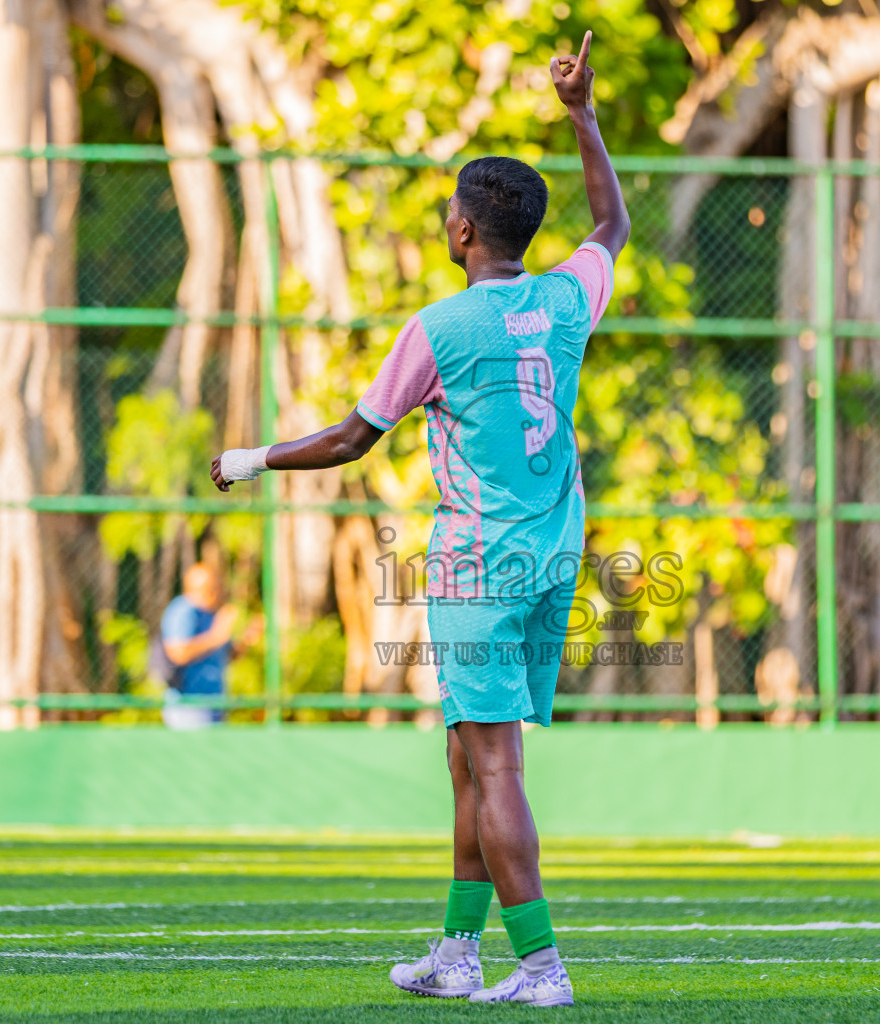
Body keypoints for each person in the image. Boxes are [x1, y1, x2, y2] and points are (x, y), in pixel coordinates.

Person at [210, 31, 627, 1007]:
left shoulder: (439, 327)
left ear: (466, 232)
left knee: (494, 759)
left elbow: (355, 439)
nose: (447, 222)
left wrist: (252, 457)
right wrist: (582, 114)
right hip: (553, 548)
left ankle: (541, 965)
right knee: (467, 752)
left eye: (451, 213)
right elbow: (608, 225)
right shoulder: (567, 298)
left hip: (478, 558)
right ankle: (458, 950)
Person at [159, 563, 240, 729]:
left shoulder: (211, 613)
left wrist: (247, 639)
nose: (219, 592)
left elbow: (227, 656)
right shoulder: (183, 610)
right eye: (214, 587)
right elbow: (178, 653)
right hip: (189, 706)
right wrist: (216, 637)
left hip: (215, 702)